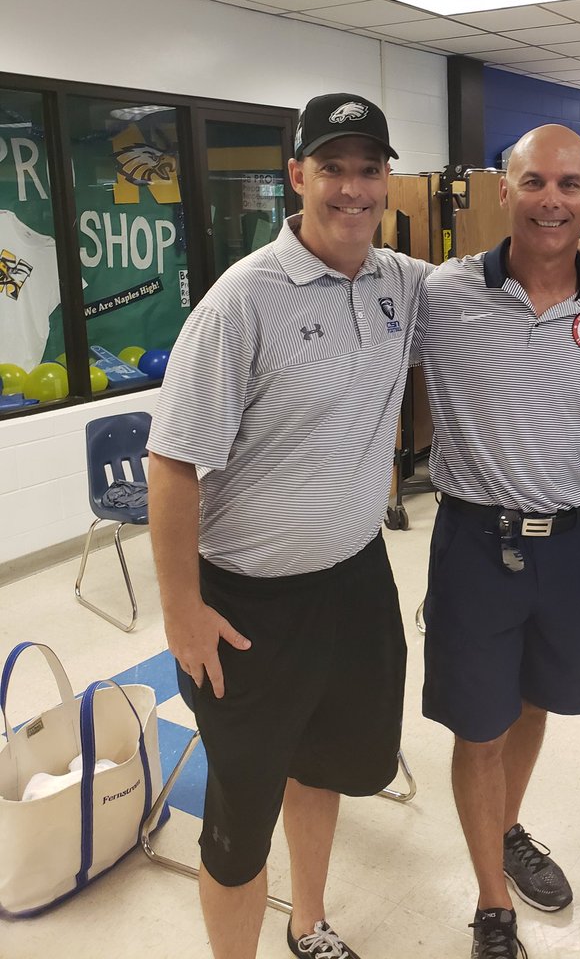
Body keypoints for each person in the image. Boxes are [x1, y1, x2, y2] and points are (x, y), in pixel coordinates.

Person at [147, 92, 430, 959]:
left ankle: (310, 925)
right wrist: (181, 610)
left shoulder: (400, 282)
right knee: (239, 820)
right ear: (297, 176)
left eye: (368, 168)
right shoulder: (242, 301)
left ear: (388, 181)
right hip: (248, 608)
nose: (352, 188)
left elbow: (513, 274)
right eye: (332, 168)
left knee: (329, 768)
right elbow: (172, 463)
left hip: (353, 583)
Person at [413, 125, 580, 959]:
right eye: (535, 181)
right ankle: (491, 904)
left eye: (571, 185)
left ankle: (506, 827)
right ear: (503, 190)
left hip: (572, 545)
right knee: (480, 726)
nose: (553, 199)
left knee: (537, 701)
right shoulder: (440, 294)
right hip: (476, 542)